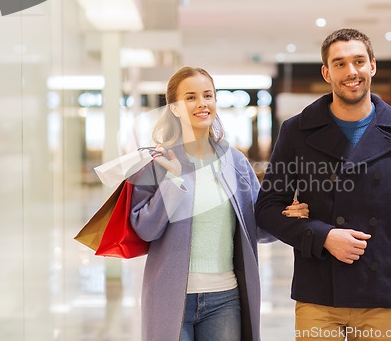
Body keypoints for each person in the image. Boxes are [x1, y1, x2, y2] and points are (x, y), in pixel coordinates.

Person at [255, 29, 391, 341]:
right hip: (318, 290)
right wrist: (324, 236)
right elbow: (267, 209)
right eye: (340, 63)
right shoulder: (296, 131)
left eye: (359, 61)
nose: (351, 72)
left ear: (372, 65)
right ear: (326, 72)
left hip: (379, 292)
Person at [129, 66, 309, 341]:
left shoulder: (234, 162)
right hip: (171, 297)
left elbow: (257, 227)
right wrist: (173, 181)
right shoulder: (159, 162)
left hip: (225, 299)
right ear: (175, 107)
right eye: (190, 97)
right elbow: (146, 229)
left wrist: (285, 215)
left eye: (208, 95)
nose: (202, 103)